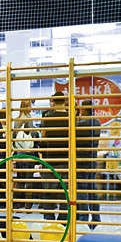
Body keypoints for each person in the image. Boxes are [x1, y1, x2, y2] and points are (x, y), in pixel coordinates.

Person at [39, 91, 69, 221]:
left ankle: (49, 221)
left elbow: (43, 136)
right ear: (65, 101)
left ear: (53, 101)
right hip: (66, 160)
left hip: (50, 160)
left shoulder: (48, 117)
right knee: (64, 194)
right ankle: (63, 221)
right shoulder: (70, 117)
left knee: (48, 194)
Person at [76, 100, 101, 228]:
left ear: (84, 110)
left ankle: (83, 219)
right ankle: (96, 218)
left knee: (82, 190)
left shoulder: (81, 124)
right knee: (92, 189)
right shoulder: (97, 122)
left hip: (81, 161)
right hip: (92, 160)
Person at [11, 99, 39, 212]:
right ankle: (28, 205)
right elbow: (33, 134)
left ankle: (16, 203)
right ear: (26, 107)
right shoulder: (29, 119)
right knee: (29, 180)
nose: (31, 108)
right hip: (28, 153)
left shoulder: (16, 120)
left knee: (20, 179)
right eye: (30, 105)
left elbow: (14, 136)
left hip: (19, 153)